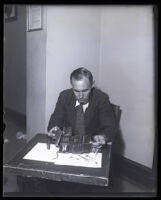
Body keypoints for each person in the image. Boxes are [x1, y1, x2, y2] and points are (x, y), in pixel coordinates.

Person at [47, 67, 118, 146]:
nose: (81, 96)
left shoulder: (102, 98)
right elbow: (54, 122)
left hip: (92, 145)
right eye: (76, 91)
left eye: (85, 90)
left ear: (92, 84)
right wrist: (53, 130)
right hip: (69, 145)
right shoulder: (64, 96)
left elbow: (110, 128)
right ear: (72, 86)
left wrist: (103, 137)